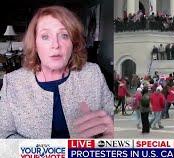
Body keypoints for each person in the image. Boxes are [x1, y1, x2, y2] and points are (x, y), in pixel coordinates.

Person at [0, 6, 114, 139]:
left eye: (64, 35)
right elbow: (4, 136)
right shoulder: (13, 83)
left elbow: (113, 116)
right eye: (45, 36)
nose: (56, 45)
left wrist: (112, 132)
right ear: (35, 44)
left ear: (73, 43)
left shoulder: (93, 73)